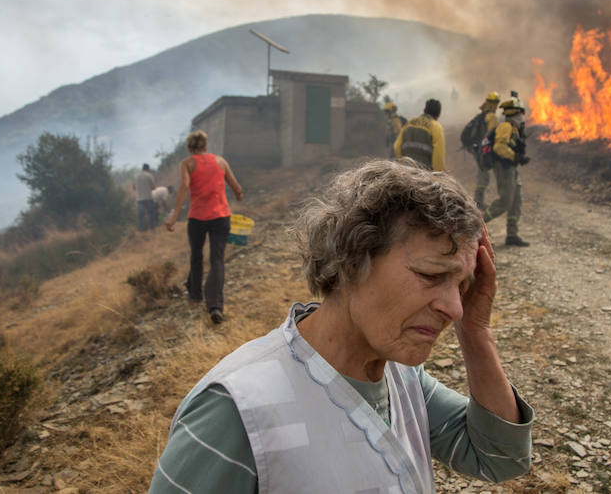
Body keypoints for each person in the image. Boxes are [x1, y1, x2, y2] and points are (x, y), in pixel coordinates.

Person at [149, 159, 533, 493]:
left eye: (462, 285)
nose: (454, 308)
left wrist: (476, 331)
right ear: (352, 260)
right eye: (431, 275)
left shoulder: (403, 380)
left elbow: (499, 458)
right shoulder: (237, 411)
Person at [165, 130, 243, 324]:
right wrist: (239, 195)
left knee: (197, 256)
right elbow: (236, 187)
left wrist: (174, 215)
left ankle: (195, 295)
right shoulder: (221, 161)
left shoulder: (188, 164)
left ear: (190, 148)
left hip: (198, 218)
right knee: (217, 260)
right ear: (206, 146)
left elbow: (184, 187)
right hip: (221, 216)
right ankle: (215, 306)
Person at [482, 97, 530, 247]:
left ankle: (512, 234)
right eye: (521, 113)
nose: (522, 117)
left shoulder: (515, 128)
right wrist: (515, 156)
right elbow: (499, 147)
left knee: (516, 201)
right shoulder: (506, 127)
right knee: (505, 202)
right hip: (504, 168)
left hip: (511, 167)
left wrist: (518, 158)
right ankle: (474, 226)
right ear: (515, 113)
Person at [461, 91, 501, 209]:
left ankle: (478, 201)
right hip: (482, 149)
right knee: (484, 175)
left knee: (482, 173)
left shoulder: (482, 115)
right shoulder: (491, 116)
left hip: (476, 147)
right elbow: (493, 134)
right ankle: (478, 202)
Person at [394, 98, 447, 171]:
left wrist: (402, 163)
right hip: (424, 170)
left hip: (406, 168)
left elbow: (397, 146)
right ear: (438, 114)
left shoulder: (409, 123)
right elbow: (438, 156)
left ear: (424, 110)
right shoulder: (436, 127)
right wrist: (440, 174)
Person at [133, 163, 156, 231]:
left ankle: (141, 230)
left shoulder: (136, 176)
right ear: (148, 169)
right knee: (151, 214)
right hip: (148, 197)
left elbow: (134, 187)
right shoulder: (149, 175)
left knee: (141, 215)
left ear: (142, 168)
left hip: (139, 199)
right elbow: (153, 187)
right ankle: (151, 229)